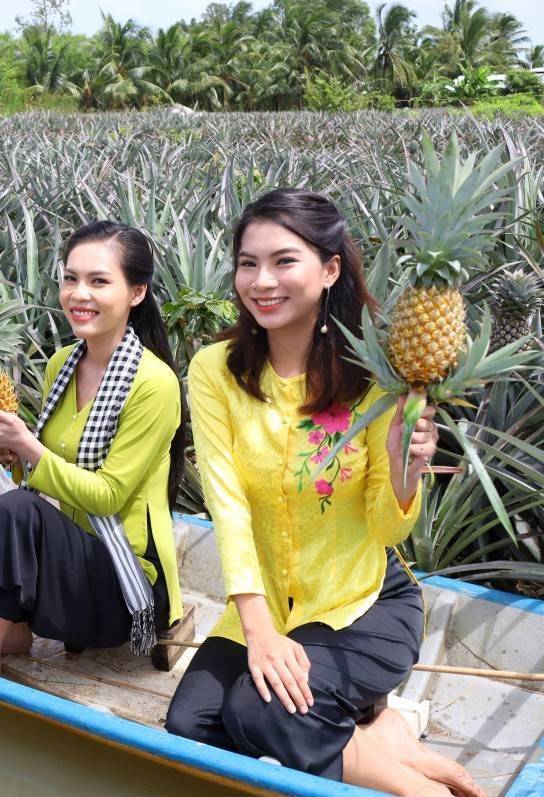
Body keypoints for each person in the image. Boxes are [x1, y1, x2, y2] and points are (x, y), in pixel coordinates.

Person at [165, 188, 481, 797]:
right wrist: (257, 628)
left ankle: (414, 788)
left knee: (259, 713)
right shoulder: (214, 370)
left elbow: (388, 531)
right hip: (264, 607)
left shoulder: (377, 380)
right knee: (190, 725)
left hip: (362, 605)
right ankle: (381, 737)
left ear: (330, 269)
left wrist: (402, 467)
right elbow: (226, 506)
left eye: (285, 261)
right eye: (248, 263)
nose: (262, 281)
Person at [0, 221, 186, 675]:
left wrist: (27, 446)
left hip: (126, 582)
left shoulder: (153, 383)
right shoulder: (62, 364)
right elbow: (47, 470)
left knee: (18, 511)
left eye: (99, 281)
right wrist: (8, 447)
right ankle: (11, 628)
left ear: (137, 292)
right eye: (71, 278)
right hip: (71, 562)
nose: (78, 294)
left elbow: (107, 496)